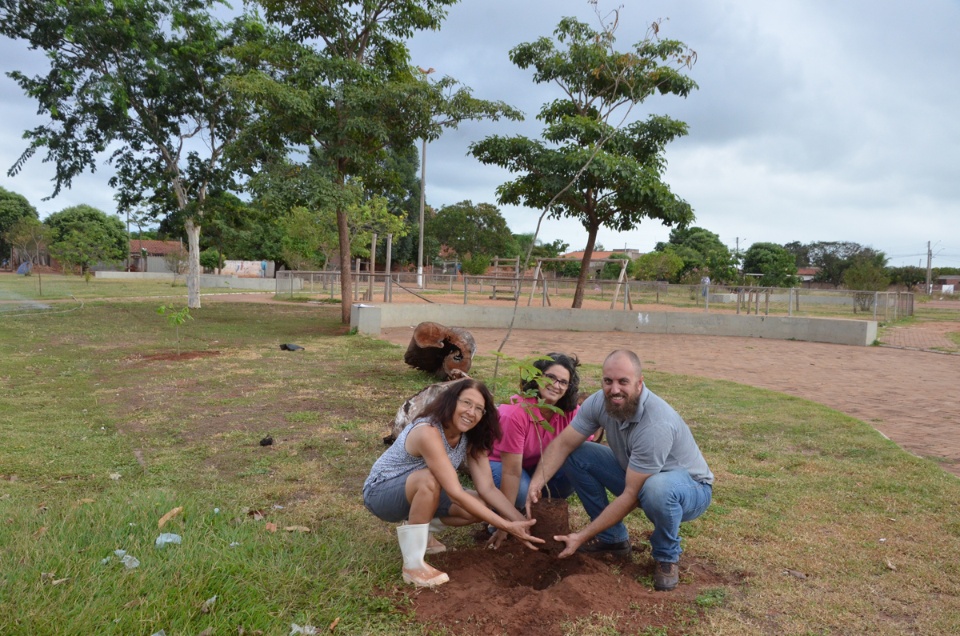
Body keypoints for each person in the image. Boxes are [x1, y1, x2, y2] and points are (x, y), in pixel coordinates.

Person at [526, 350, 713, 592]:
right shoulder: (598, 402)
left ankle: (666, 556)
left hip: (690, 488)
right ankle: (613, 541)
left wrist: (581, 536)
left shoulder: (656, 424)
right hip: (637, 474)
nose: (614, 389)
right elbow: (563, 443)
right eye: (608, 381)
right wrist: (536, 482)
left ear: (639, 383)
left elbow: (631, 495)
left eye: (623, 381)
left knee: (657, 488)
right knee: (576, 453)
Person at [363, 378, 543, 588]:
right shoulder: (428, 431)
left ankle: (421, 529)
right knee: (429, 479)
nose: (471, 412)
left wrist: (520, 522)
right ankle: (413, 565)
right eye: (466, 403)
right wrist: (505, 525)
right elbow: (456, 492)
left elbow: (488, 488)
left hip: (420, 492)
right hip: (381, 493)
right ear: (451, 401)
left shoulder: (468, 437)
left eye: (479, 409)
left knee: (482, 505)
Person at [489, 352, 582, 510]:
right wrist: (506, 522)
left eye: (563, 382)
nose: (556, 385)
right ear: (536, 376)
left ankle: (534, 507)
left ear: (568, 388)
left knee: (576, 468)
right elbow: (511, 471)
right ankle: (506, 510)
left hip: (537, 465)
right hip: (501, 463)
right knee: (521, 493)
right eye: (550, 377)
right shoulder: (514, 413)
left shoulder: (571, 413)